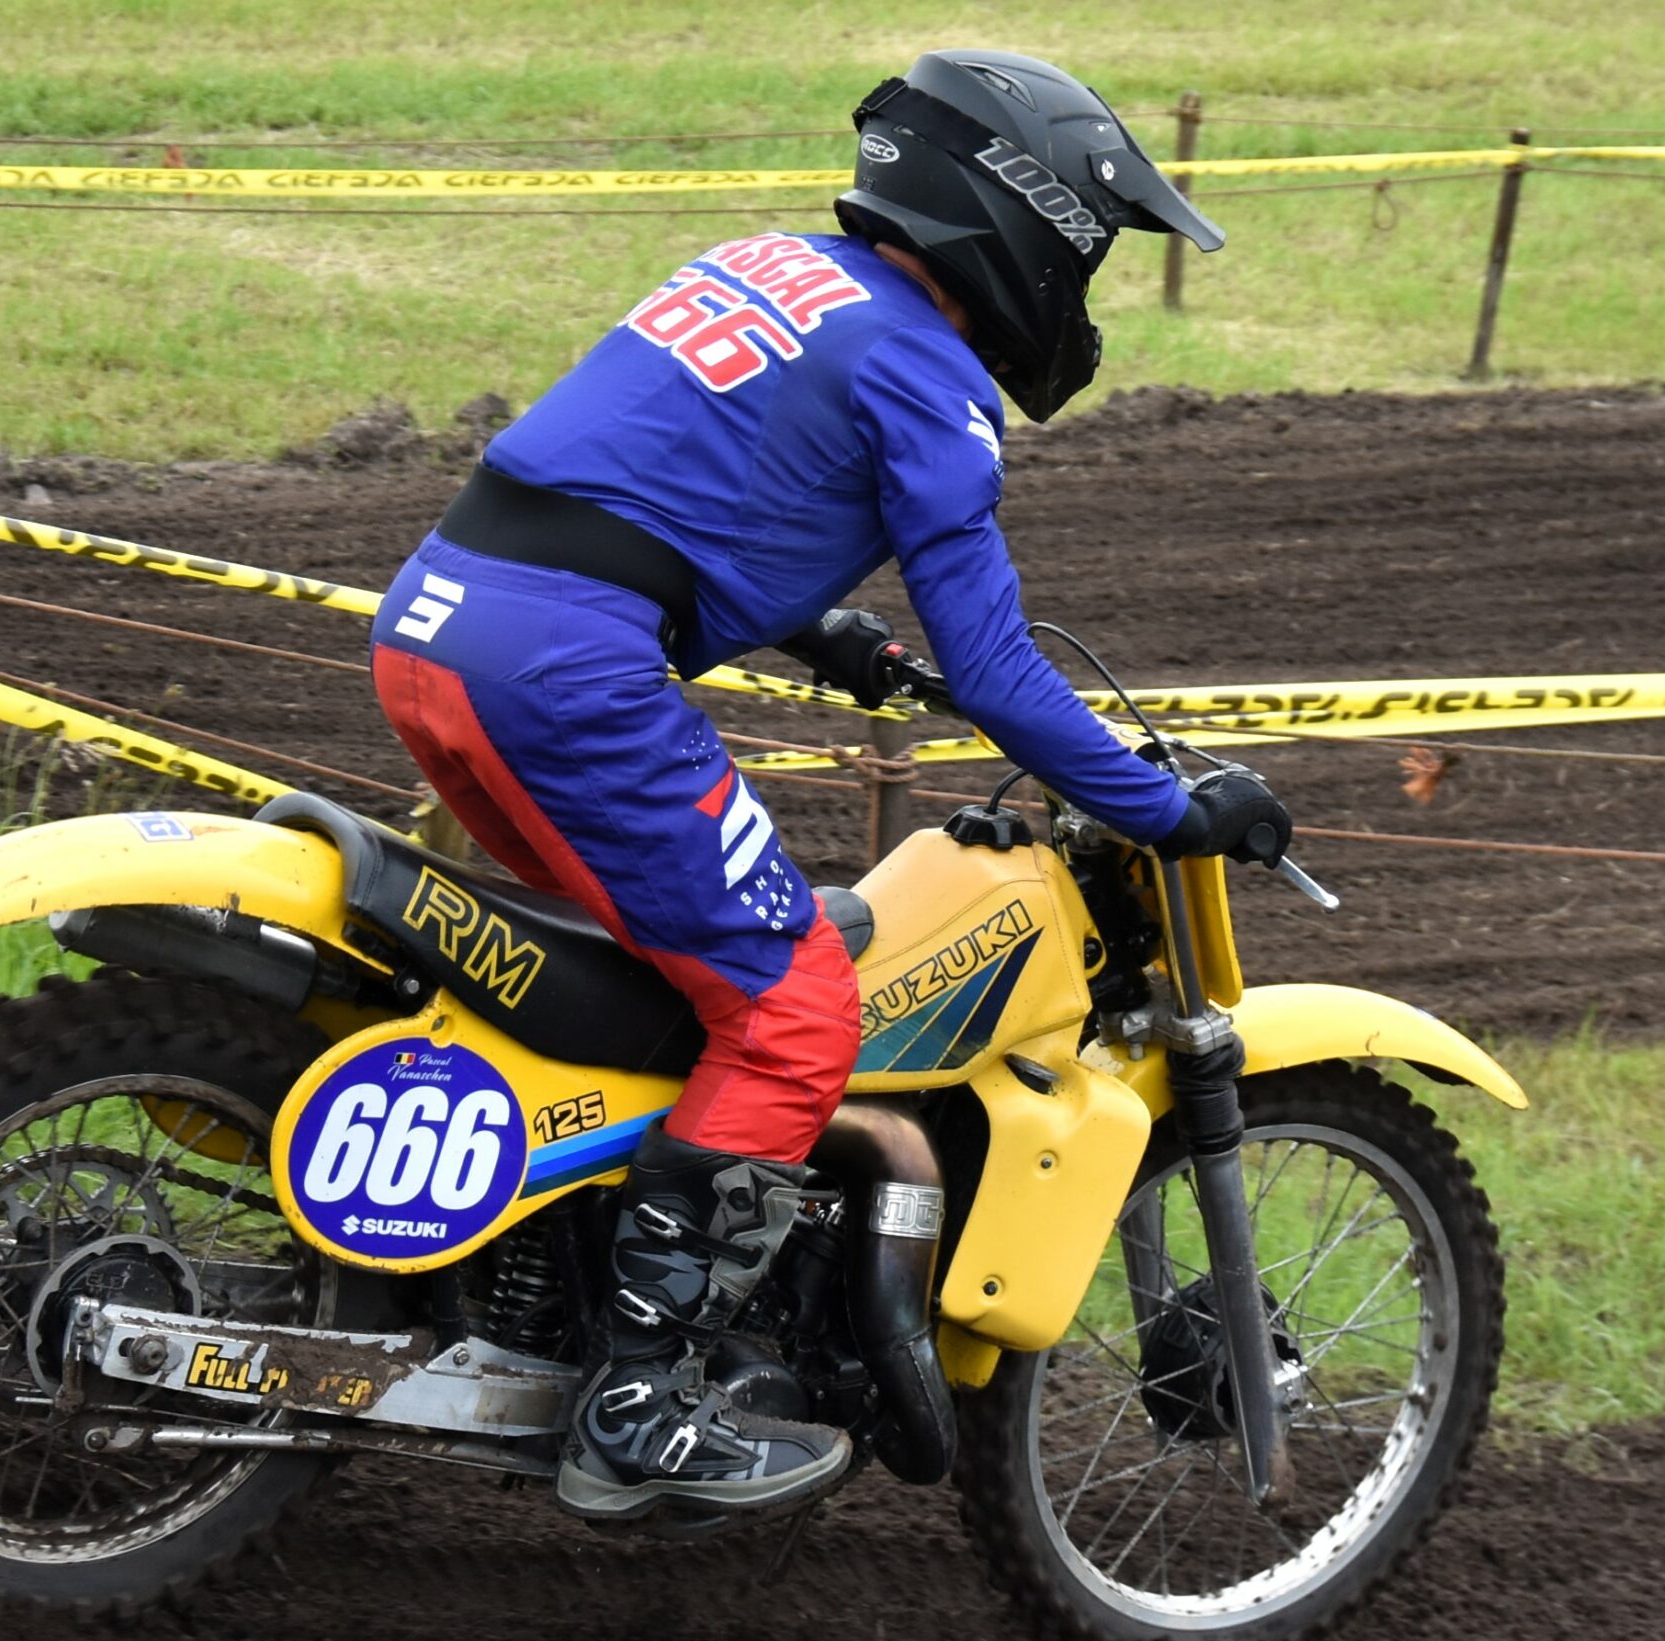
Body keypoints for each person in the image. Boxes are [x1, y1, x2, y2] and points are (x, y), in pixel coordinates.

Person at [369, 48, 1294, 1520]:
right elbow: (998, 670)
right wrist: (1169, 808)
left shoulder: (764, 268)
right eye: (1088, 251)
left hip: (438, 628)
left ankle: (533, 1273)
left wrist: (820, 629)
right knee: (797, 1010)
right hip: (569, 678)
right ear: (1026, 223)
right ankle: (638, 1402)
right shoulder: (930, 375)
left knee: (646, 978)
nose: (1085, 287)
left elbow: (657, 475)